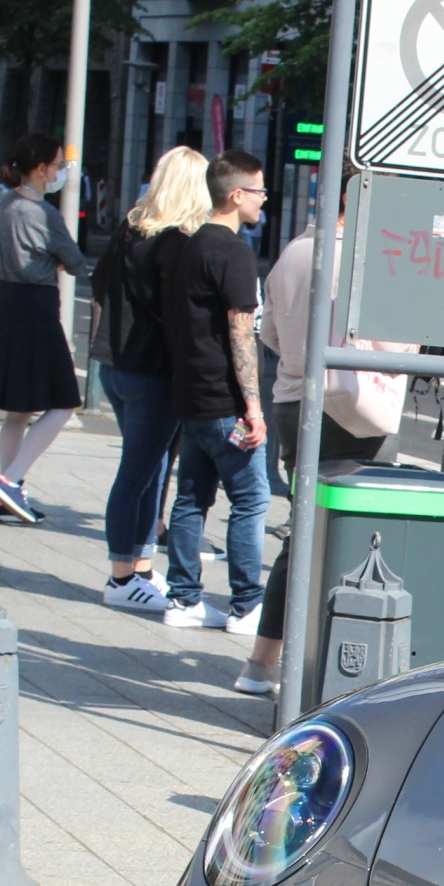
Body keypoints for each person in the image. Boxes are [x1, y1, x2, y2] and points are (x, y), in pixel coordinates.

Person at [92, 145, 210, 613]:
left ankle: (139, 567)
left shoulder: (132, 227)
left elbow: (100, 284)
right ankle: (122, 577)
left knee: (151, 469)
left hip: (115, 365)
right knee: (139, 474)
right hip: (152, 372)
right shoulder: (179, 241)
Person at [158, 149, 270, 633]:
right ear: (237, 194)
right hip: (227, 401)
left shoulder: (189, 247)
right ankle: (247, 604)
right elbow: (241, 332)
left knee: (191, 498)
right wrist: (254, 407)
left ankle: (183, 600)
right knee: (250, 500)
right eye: (260, 191)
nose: (265, 201)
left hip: (191, 396)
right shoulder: (233, 253)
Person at [0, 132, 89, 524]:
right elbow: (75, 261)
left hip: (7, 306)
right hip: (36, 309)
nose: (60, 172)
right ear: (41, 169)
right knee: (64, 401)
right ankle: (11, 480)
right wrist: (54, 261)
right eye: (57, 165)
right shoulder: (43, 213)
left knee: (18, 409)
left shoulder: (7, 203)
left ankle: (7, 494)